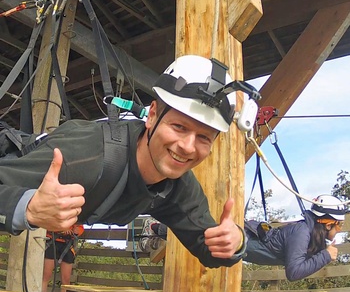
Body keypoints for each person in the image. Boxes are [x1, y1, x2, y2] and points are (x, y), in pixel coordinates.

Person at [0, 55, 258, 268]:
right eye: (179, 127)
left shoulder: (177, 187)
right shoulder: (85, 159)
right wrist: (29, 209)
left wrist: (234, 241)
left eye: (204, 137)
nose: (188, 147)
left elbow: (207, 246)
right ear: (152, 115)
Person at [244, 194, 347, 281]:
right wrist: (326, 255)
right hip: (239, 239)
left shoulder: (310, 234)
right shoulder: (302, 232)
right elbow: (293, 273)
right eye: (339, 225)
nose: (340, 230)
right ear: (328, 225)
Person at [42, 224, 84, 292]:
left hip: (67, 243)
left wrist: (77, 231)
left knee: (66, 280)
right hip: (52, 241)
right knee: (46, 276)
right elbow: (47, 223)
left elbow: (80, 226)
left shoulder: (74, 214)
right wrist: (61, 229)